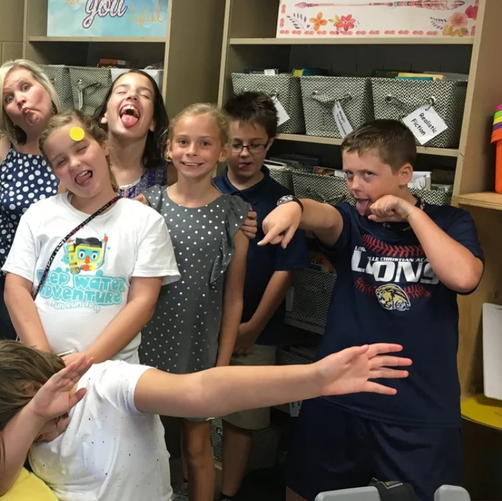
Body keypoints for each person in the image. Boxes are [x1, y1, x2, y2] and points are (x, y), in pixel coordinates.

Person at [260, 120, 485, 501]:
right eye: (348, 174)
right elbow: (324, 215)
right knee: (305, 490)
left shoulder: (451, 222)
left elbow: (463, 278)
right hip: (339, 396)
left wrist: (411, 213)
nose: (354, 185)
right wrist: (294, 208)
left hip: (418, 408)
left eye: (367, 174)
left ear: (404, 174)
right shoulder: (353, 221)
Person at [0, 340, 411, 501]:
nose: (49, 427)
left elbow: (201, 391)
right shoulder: (18, 429)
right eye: (33, 422)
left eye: (48, 411)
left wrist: (313, 379)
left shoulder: (106, 382)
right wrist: (34, 414)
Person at [3, 109, 179, 364]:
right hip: (41, 370)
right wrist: (44, 362)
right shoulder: (38, 215)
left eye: (81, 148)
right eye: (60, 161)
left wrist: (86, 361)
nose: (74, 163)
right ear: (54, 172)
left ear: (104, 145)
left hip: (112, 371)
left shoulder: (146, 222)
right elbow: (15, 289)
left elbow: (142, 303)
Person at [137, 103, 250, 501]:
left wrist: (223, 363)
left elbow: (233, 297)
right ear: (169, 148)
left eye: (205, 143)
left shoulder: (235, 215)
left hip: (198, 345)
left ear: (222, 151)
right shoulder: (150, 204)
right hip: (147, 341)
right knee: (143, 441)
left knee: (197, 445)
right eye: (183, 142)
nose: (192, 151)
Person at [215, 92, 309, 501]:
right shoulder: (207, 188)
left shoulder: (282, 202)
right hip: (204, 324)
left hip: (255, 331)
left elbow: (286, 269)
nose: (244, 154)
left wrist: (253, 327)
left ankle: (229, 494)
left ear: (270, 144)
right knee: (189, 408)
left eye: (255, 145)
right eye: (236, 144)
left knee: (242, 418)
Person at [0, 59, 62, 341]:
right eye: (9, 97)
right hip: (8, 278)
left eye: (25, 87)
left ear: (46, 88)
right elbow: (4, 211)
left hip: (63, 281)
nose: (19, 99)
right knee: (15, 362)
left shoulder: (77, 144)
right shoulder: (1, 152)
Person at [92, 70, 175, 198]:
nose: (132, 95)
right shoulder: (79, 167)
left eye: (145, 95)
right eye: (121, 91)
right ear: (105, 114)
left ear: (153, 122)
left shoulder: (171, 176)